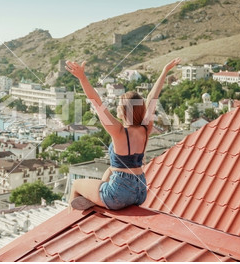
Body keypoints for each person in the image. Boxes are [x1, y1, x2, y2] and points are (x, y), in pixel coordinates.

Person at [66, 57, 181, 210]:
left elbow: (96, 101)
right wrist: (164, 71)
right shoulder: (146, 128)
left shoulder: (118, 131)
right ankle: (97, 197)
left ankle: (72, 219)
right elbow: (152, 98)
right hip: (140, 192)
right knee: (110, 169)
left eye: (119, 105)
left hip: (119, 194)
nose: (116, 108)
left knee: (76, 184)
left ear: (125, 111)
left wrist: (82, 78)